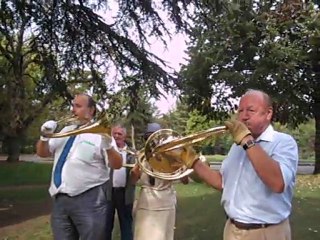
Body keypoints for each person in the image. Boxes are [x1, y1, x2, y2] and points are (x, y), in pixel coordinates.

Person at [179, 89, 299, 240]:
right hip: (232, 229)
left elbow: (278, 183)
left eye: (250, 110)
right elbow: (222, 182)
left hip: (266, 232)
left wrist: (246, 140)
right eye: (240, 111)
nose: (243, 116)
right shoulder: (237, 146)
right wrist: (192, 160)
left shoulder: (283, 142)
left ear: (268, 113)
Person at [36, 93, 123, 240]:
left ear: (91, 110)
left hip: (89, 199)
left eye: (78, 106)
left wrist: (108, 145)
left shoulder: (100, 132)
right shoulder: (65, 131)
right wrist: (44, 136)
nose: (72, 109)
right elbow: (42, 153)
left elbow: (117, 164)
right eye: (72, 105)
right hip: (60, 199)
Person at [130, 122, 189, 240]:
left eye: (155, 138)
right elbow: (132, 180)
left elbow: (185, 180)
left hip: (165, 203)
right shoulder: (142, 155)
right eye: (149, 138)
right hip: (146, 203)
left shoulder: (170, 155)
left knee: (163, 236)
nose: (152, 141)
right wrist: (137, 166)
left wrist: (178, 163)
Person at [105, 124, 136, 240]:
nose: (117, 136)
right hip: (108, 192)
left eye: (120, 134)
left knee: (126, 223)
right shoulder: (107, 150)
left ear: (125, 136)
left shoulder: (132, 152)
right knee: (106, 224)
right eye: (115, 133)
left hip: (125, 193)